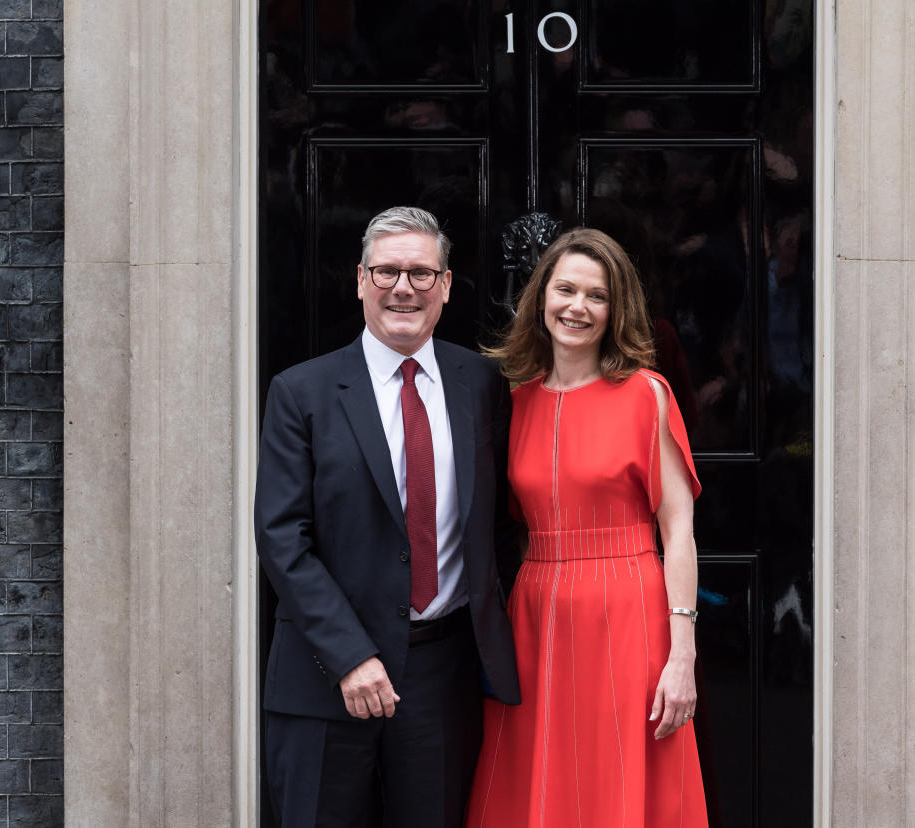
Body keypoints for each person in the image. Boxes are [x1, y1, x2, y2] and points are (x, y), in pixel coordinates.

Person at [255, 206, 520, 828]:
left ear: (447, 286)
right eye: (387, 272)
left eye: (422, 274)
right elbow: (282, 538)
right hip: (325, 675)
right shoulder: (301, 392)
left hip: (441, 673)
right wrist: (350, 656)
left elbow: (505, 521)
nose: (404, 288)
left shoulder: (482, 383)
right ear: (360, 280)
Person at [466, 227, 708, 827]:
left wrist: (683, 657)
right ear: (540, 298)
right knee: (534, 785)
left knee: (617, 781)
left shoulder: (645, 394)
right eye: (565, 289)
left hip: (629, 610)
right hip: (536, 616)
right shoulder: (514, 400)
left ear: (615, 307)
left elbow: (678, 529)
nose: (577, 307)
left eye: (596, 296)